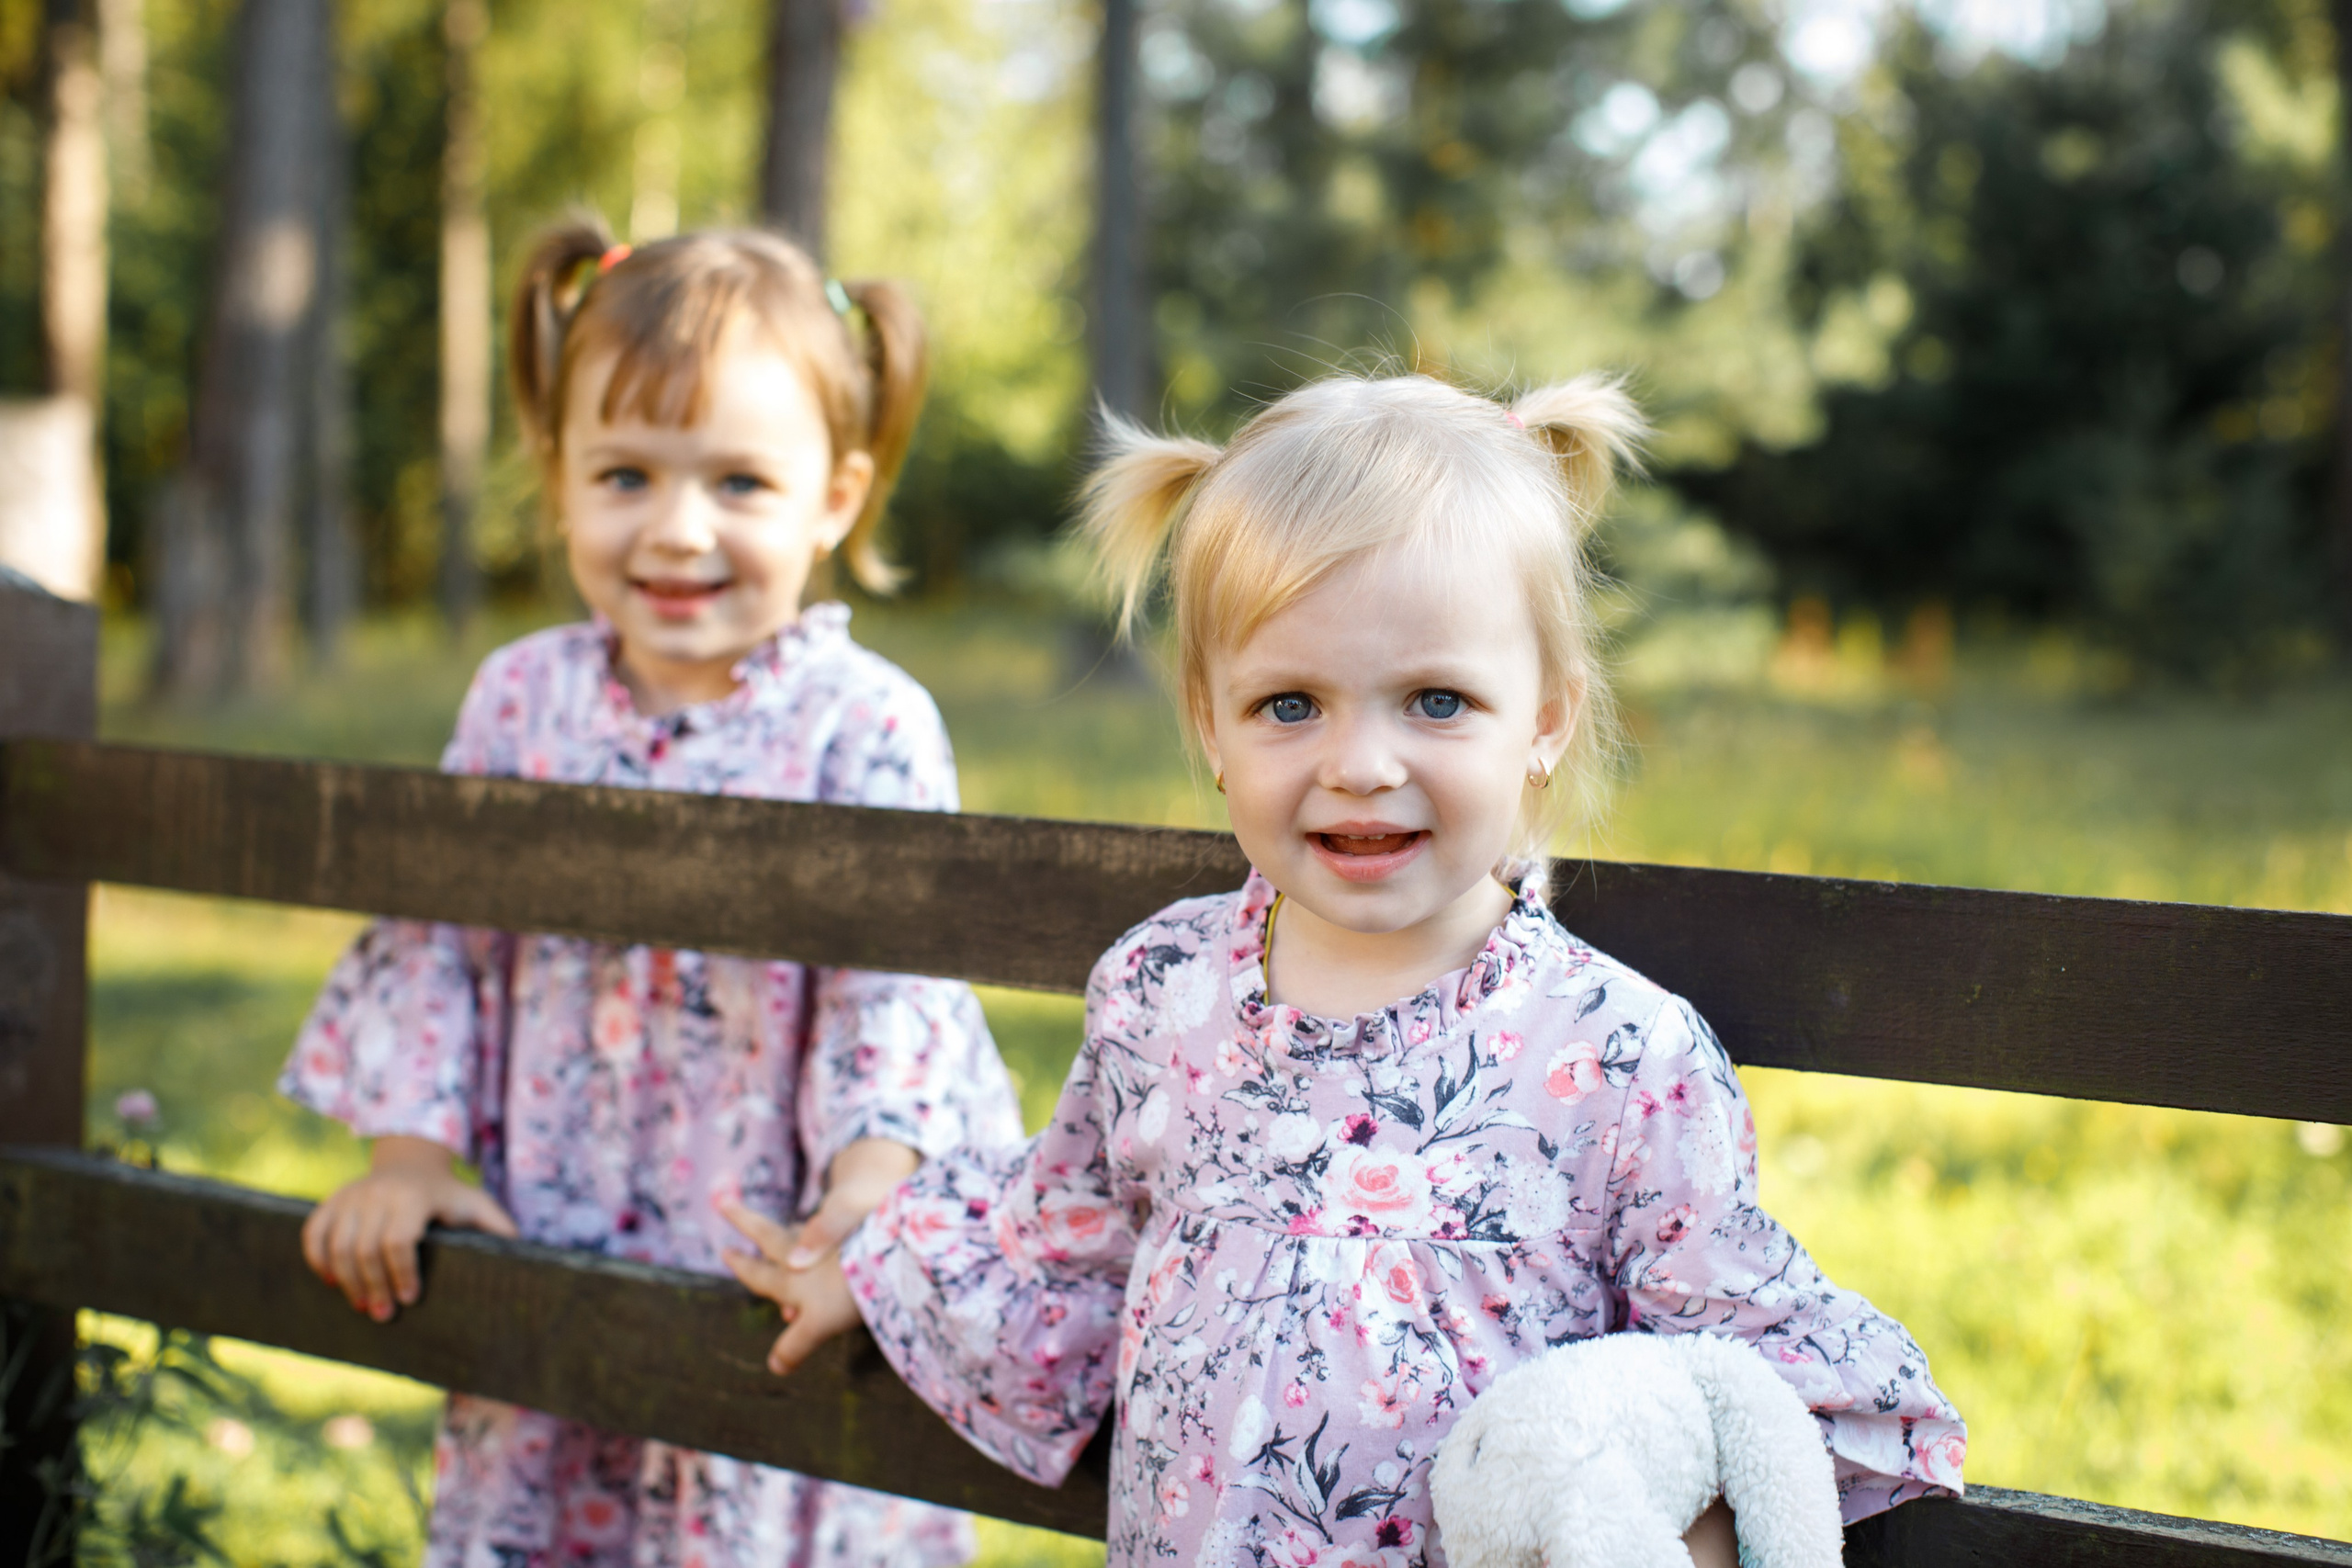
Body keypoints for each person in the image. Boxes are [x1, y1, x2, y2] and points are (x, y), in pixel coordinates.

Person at [725, 372, 1967, 1568]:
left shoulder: (1616, 1056)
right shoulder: (1164, 994)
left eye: (1434, 701)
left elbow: (1748, 1377)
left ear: (1546, 718)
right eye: (1288, 706)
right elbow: (1067, 1236)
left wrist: (1672, 1537)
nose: (1361, 763)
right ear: (1209, 721)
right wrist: (885, 1275)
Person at [281, 219, 1024, 1568]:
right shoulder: (523, 698)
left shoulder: (864, 724)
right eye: (625, 474)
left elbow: (896, 982)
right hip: (549, 1245)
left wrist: (866, 1201)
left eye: (741, 483)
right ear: (558, 479)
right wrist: (409, 1156)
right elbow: (435, 936)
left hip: (768, 1273)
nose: (678, 531)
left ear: (837, 499)